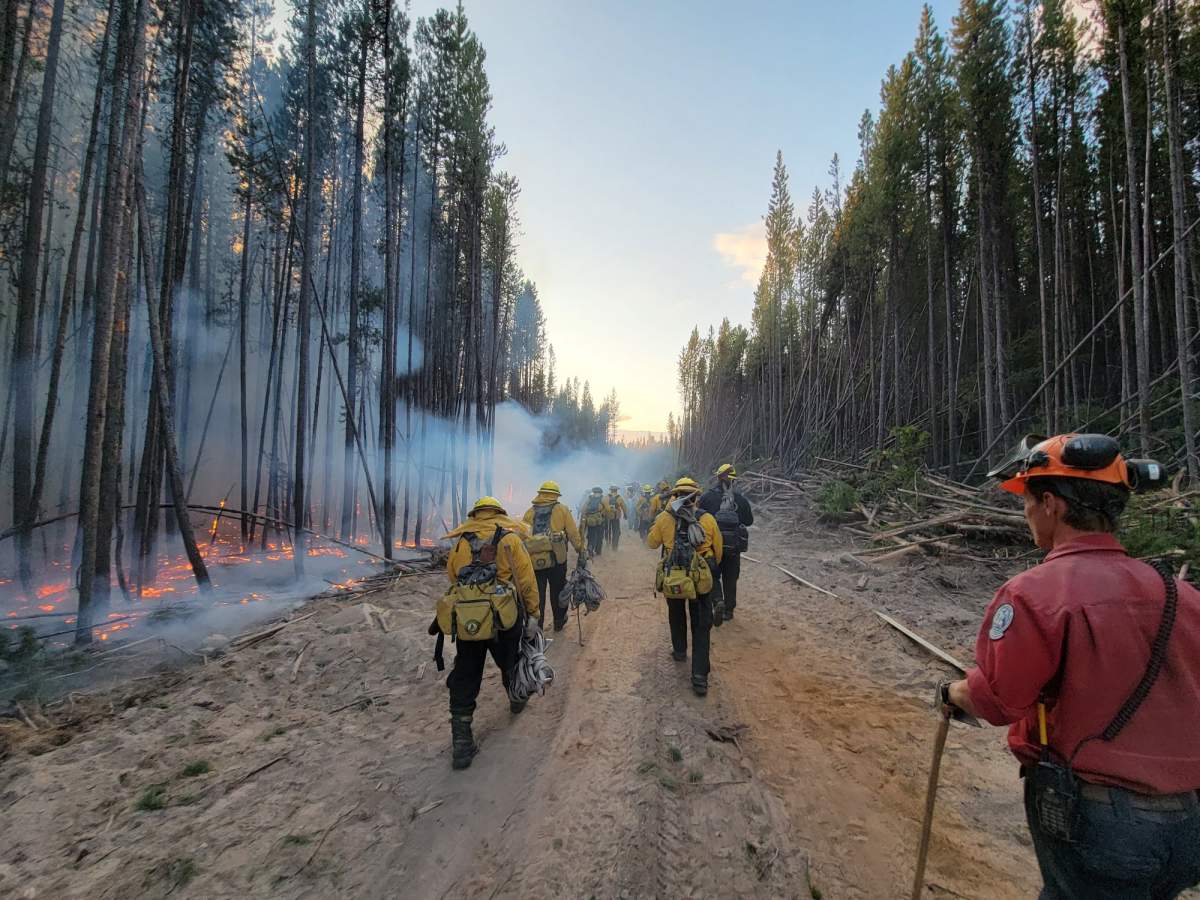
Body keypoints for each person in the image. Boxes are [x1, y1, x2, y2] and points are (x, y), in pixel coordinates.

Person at [938, 434, 1200, 898]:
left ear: (1052, 505)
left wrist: (954, 693)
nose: (1027, 515)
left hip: (1101, 823)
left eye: (1028, 503)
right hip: (1189, 827)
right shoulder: (1183, 597)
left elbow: (1000, 701)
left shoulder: (1036, 594)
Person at [441, 496, 539, 770]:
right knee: (511, 661)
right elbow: (526, 580)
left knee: (466, 672)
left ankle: (461, 740)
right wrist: (533, 613)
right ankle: (517, 698)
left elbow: (452, 576)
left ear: (476, 515)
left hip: (469, 621)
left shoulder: (461, 541)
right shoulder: (510, 539)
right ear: (499, 514)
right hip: (505, 618)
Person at [647, 477, 723, 696]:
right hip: (699, 578)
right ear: (696, 497)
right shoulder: (707, 519)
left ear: (674, 495)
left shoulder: (664, 518)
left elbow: (651, 543)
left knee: (676, 613)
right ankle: (699, 678)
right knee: (701, 624)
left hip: (675, 576)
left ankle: (680, 651)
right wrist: (709, 569)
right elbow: (717, 550)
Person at [522, 480, 586, 632]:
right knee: (558, 589)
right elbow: (572, 533)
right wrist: (580, 550)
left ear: (540, 494)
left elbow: (522, 537)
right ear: (556, 495)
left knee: (538, 596)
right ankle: (558, 620)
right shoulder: (562, 509)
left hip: (535, 562)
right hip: (558, 559)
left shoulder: (530, 512)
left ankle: (537, 628)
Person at [699, 463, 754, 622]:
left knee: (713, 575)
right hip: (733, 548)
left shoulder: (706, 497)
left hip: (712, 547)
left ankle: (717, 601)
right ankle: (729, 610)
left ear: (718, 477)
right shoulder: (740, 499)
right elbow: (749, 521)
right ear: (733, 480)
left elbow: (699, 518)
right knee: (730, 578)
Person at [579, 486, 609, 557]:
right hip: (600, 521)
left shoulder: (589, 498)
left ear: (594, 492)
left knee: (591, 535)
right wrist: (602, 513)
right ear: (601, 493)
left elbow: (583, 509)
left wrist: (584, 518)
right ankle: (598, 551)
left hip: (590, 521)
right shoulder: (603, 499)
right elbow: (608, 509)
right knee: (599, 536)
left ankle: (590, 547)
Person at [605, 484, 626, 551]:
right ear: (616, 490)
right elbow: (624, 507)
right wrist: (625, 514)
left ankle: (607, 544)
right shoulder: (620, 498)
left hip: (608, 516)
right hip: (616, 517)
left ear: (610, 490)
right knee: (616, 531)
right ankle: (614, 546)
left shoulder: (606, 497)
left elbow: (603, 506)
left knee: (607, 530)